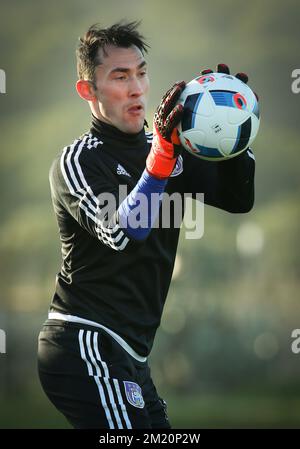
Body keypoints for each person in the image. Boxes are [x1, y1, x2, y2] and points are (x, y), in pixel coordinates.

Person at [37, 21, 256, 429]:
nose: (136, 87)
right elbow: (123, 233)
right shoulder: (77, 163)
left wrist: (234, 132)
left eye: (141, 72)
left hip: (131, 357)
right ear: (88, 90)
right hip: (84, 343)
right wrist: (162, 159)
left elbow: (238, 199)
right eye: (120, 77)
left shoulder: (168, 147)